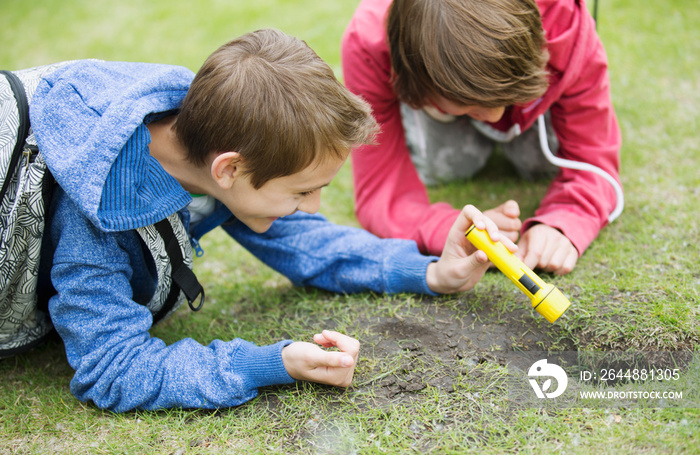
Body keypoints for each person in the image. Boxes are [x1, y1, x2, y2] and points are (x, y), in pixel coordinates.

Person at [29, 29, 513, 412]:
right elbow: (113, 369)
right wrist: (268, 363)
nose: (314, 206)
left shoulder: (204, 133)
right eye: (303, 191)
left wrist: (430, 272)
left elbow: (303, 242)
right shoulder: (93, 206)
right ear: (230, 168)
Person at [341, 0, 622, 276]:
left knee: (540, 165)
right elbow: (380, 190)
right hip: (428, 91)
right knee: (447, 168)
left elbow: (594, 159)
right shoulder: (368, 41)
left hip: (537, 75)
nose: (494, 115)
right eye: (472, 104)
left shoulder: (565, 19)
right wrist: (448, 229)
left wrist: (564, 223)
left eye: (505, 98)